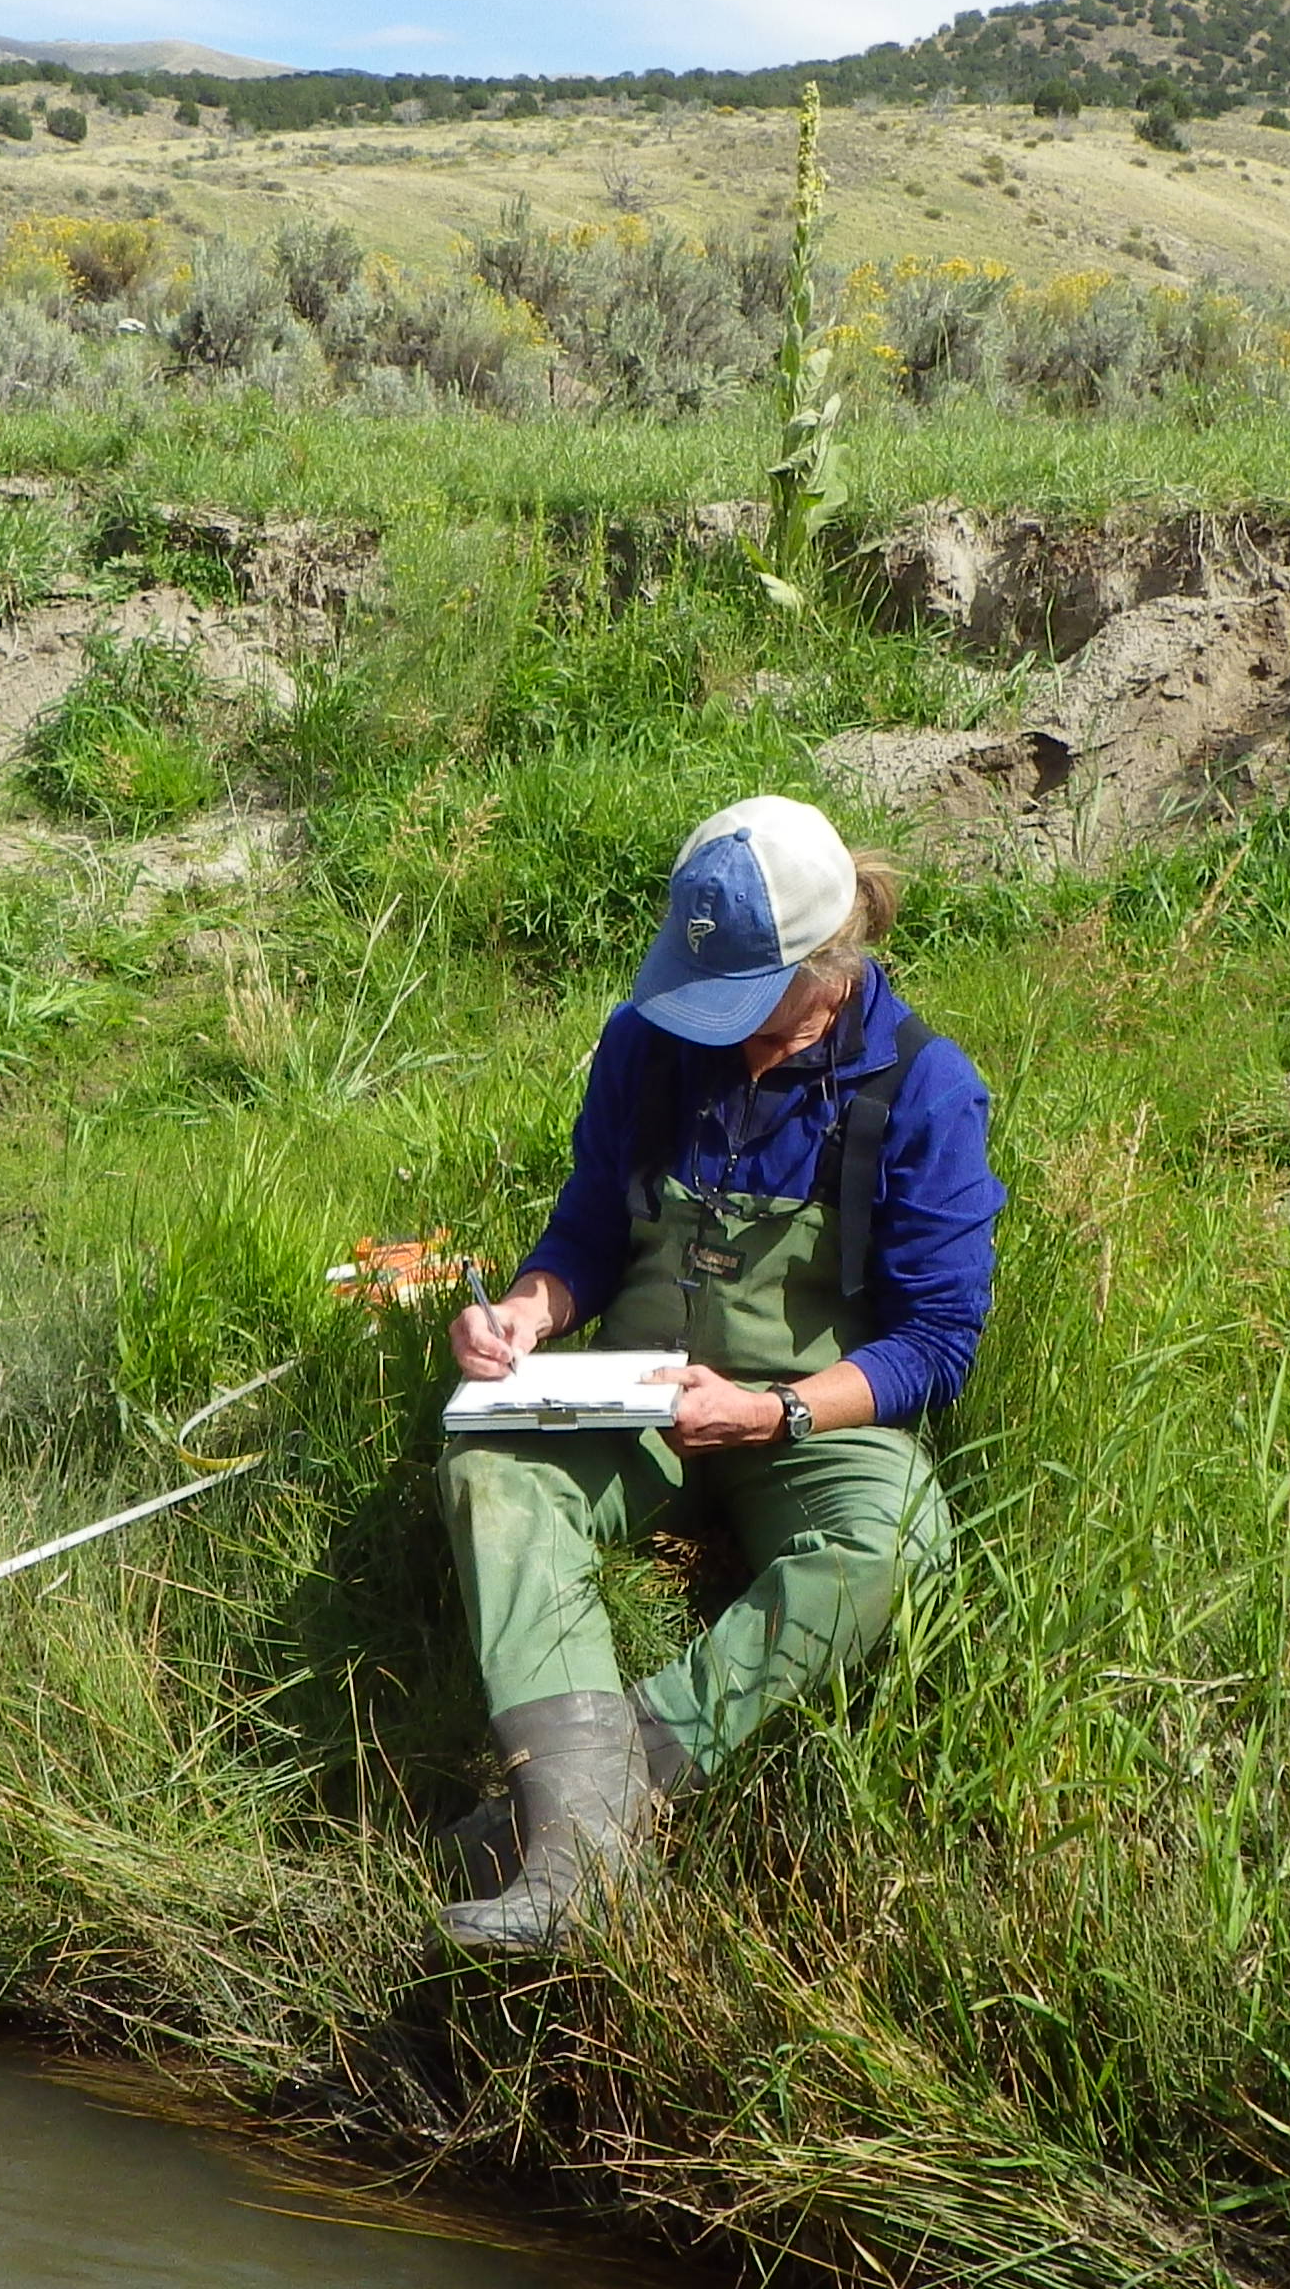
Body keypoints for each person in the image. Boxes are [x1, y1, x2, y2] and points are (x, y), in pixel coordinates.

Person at [439, 795, 997, 1953]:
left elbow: (938, 1347)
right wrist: (527, 1318)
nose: (720, 1030)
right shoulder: (648, 1043)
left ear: (832, 960)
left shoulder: (926, 1090)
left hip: (811, 1419)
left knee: (894, 1543)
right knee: (492, 1469)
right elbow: (589, 1230)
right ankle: (584, 1857)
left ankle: (576, 1820)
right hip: (632, 1400)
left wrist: (775, 1411)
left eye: (748, 1003)